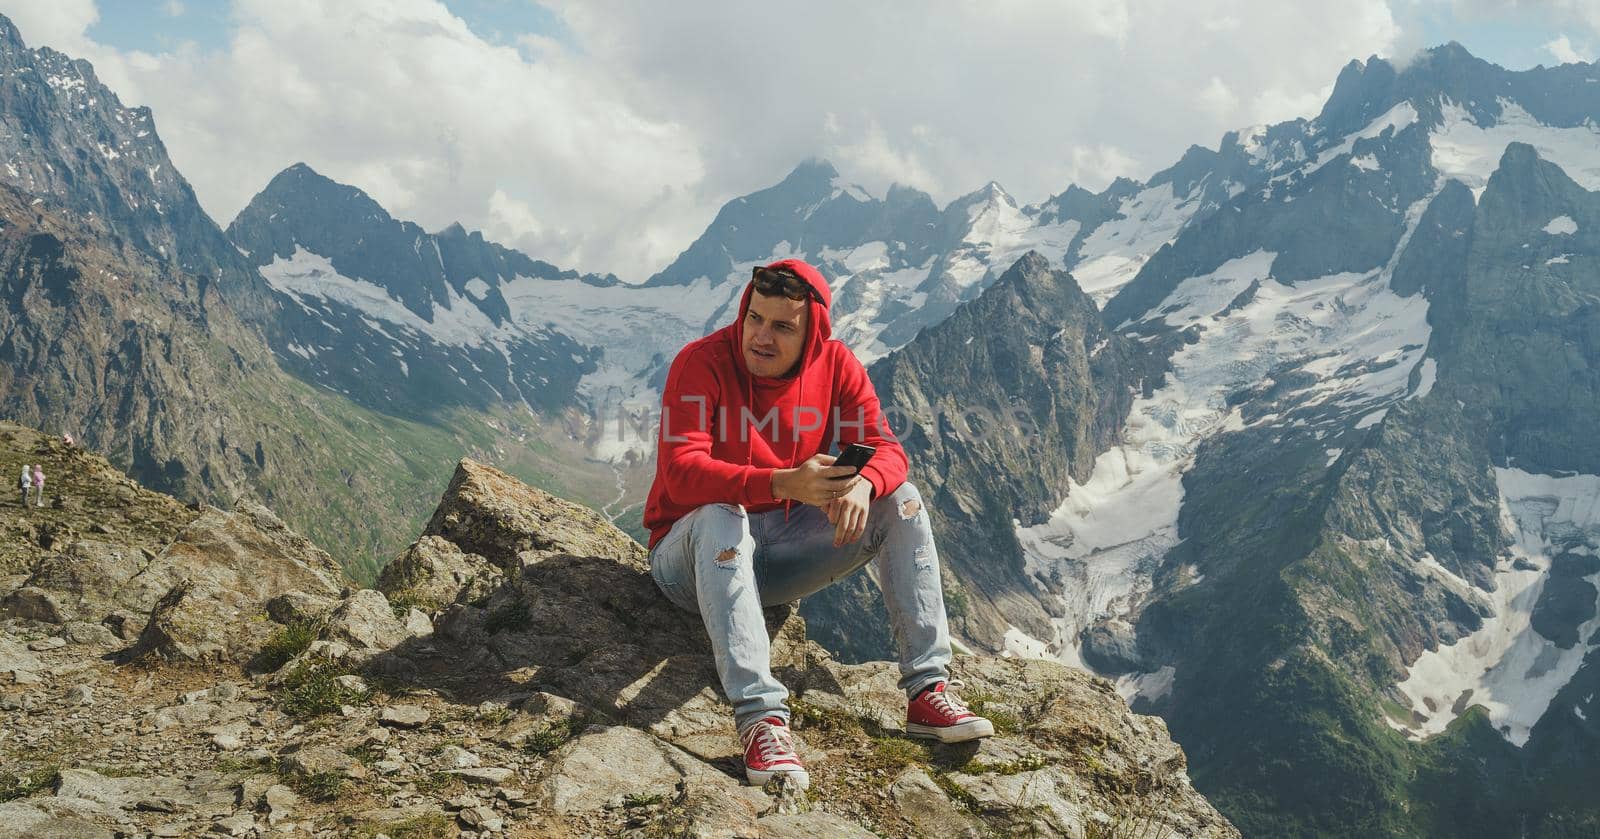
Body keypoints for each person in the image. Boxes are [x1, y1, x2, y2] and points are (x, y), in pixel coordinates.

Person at [643, 259, 993, 790]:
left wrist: (864, 484)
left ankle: (927, 692)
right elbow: (681, 475)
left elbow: (887, 449)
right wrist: (782, 483)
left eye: (782, 326)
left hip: (774, 558)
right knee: (720, 511)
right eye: (754, 318)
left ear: (812, 335)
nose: (760, 337)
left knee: (901, 501)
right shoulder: (701, 363)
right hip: (688, 560)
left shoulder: (835, 365)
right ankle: (761, 720)